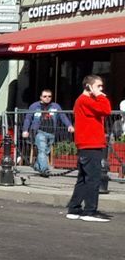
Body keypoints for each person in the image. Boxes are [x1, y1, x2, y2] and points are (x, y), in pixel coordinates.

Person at [65, 75, 112, 222]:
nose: (101, 90)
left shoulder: (83, 101)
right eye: (98, 86)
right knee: (93, 179)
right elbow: (106, 110)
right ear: (89, 87)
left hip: (88, 144)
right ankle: (90, 211)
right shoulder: (85, 100)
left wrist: (97, 95)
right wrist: (99, 96)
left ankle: (74, 208)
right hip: (90, 144)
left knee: (84, 178)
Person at [22, 88, 74, 177]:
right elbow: (28, 118)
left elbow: (63, 116)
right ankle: (45, 170)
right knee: (42, 150)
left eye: (49, 96)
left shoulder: (56, 106)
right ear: (40, 97)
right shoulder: (34, 106)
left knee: (45, 151)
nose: (47, 98)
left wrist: (69, 125)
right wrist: (25, 130)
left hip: (51, 132)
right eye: (45, 96)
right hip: (38, 132)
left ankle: (37, 166)